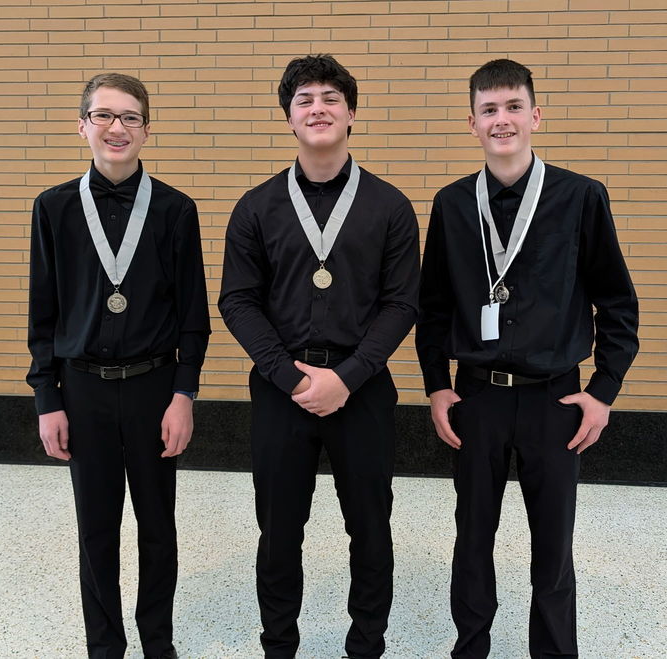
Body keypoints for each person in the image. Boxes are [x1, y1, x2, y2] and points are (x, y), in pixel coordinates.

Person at [415, 58, 639, 658]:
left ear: (536, 115)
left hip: (555, 399)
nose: (502, 120)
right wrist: (437, 385)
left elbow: (617, 302)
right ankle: (472, 648)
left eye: (514, 107)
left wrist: (603, 391)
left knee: (553, 546)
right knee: (472, 539)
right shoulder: (453, 204)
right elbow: (432, 307)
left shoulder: (581, 198)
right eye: (489, 110)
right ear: (472, 123)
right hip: (477, 398)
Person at [218, 54, 419, 658]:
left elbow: (402, 303)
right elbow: (237, 300)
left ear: (352, 113)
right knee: (278, 533)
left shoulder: (389, 206)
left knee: (370, 530)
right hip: (282, 389)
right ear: (288, 117)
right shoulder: (256, 207)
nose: (319, 108)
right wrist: (288, 376)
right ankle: (279, 645)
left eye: (331, 98)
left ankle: (366, 646)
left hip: (363, 389)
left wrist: (350, 377)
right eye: (305, 99)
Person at [27, 73, 210, 659]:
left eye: (130, 117)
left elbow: (193, 319)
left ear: (146, 132)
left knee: (159, 529)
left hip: (156, 387)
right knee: (96, 532)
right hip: (82, 390)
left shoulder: (177, 210)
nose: (116, 128)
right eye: (104, 116)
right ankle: (104, 646)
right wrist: (46, 399)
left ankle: (159, 642)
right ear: (83, 126)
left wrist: (183, 396)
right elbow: (43, 314)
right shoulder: (52, 208)